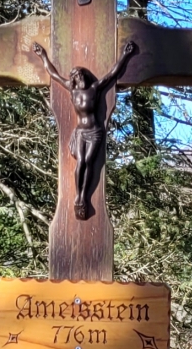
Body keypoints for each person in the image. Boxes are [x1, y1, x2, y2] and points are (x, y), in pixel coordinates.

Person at [32, 38, 139, 217]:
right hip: (81, 132)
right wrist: (42, 55)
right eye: (76, 76)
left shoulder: (95, 88)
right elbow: (53, 74)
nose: (80, 77)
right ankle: (78, 196)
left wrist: (125, 55)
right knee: (80, 161)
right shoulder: (72, 89)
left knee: (88, 161)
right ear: (73, 79)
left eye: (82, 75)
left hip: (94, 131)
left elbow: (112, 74)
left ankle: (83, 196)